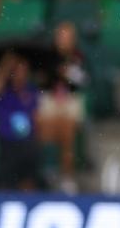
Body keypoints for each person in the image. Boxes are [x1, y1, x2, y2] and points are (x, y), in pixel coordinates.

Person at [37, 22, 87, 194]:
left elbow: (82, 81)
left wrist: (67, 72)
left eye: (67, 37)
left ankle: (67, 176)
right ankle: (46, 170)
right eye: (61, 37)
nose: (64, 41)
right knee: (44, 124)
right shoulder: (47, 55)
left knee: (68, 130)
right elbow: (41, 81)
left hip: (71, 99)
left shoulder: (78, 56)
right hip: (50, 97)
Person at [0, 53, 42, 190]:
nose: (21, 74)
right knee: (6, 184)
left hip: (28, 143)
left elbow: (37, 115)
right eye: (17, 70)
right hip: (8, 142)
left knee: (28, 182)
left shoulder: (32, 90)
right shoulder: (4, 90)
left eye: (24, 70)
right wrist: (7, 64)